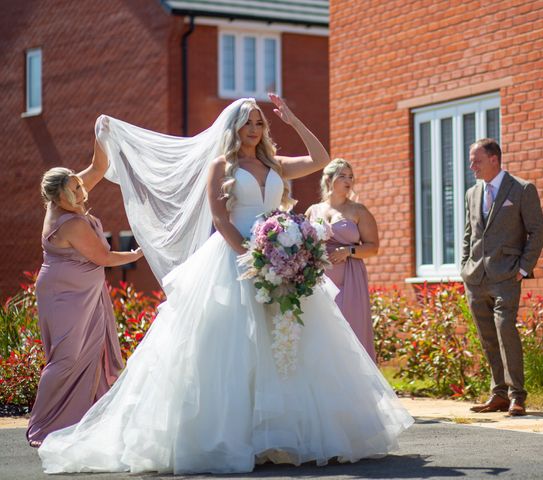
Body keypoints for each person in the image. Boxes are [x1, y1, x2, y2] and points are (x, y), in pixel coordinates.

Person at [37, 95, 414, 474]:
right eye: (248, 122)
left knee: (288, 341)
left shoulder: (275, 165)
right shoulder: (222, 166)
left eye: (260, 123)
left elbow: (319, 158)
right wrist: (252, 257)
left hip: (282, 257)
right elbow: (220, 218)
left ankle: (284, 434)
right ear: (233, 128)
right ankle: (236, 435)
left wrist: (294, 120)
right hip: (238, 258)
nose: (254, 129)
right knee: (234, 347)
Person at [26, 140, 144, 448]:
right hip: (65, 295)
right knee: (66, 358)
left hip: (84, 294)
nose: (82, 192)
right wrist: (138, 254)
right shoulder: (71, 222)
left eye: (79, 186)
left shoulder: (64, 197)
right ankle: (42, 423)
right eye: (75, 190)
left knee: (90, 354)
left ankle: (80, 418)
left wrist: (100, 133)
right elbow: (103, 259)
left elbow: (98, 168)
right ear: (58, 197)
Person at [461, 138, 543, 417]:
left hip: (507, 275)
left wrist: (523, 268)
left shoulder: (522, 189)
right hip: (475, 277)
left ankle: (516, 395)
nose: (471, 165)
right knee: (487, 338)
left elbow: (538, 231)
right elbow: (468, 234)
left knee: (505, 331)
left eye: (476, 160)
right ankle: (497, 393)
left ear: (494, 159)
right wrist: (464, 265)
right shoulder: (472, 193)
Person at [306, 159, 378, 361]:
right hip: (318, 281)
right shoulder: (313, 210)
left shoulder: (358, 211)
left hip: (349, 281)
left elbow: (373, 247)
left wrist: (348, 251)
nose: (348, 181)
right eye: (342, 176)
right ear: (329, 180)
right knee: (320, 332)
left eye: (350, 176)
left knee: (348, 330)